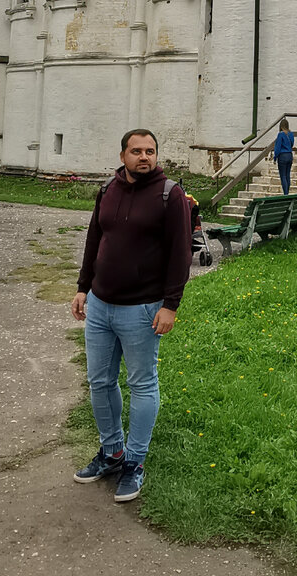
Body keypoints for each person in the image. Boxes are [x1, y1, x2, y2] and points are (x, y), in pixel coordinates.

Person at [70, 129, 191, 503]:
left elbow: (181, 253)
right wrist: (82, 286)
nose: (144, 157)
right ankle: (111, 452)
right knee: (100, 382)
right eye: (136, 151)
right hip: (101, 306)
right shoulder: (108, 190)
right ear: (122, 155)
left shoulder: (169, 195)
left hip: (142, 309)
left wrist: (170, 304)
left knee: (142, 384)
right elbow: (95, 238)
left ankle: (134, 461)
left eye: (150, 151)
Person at [273, 117, 294, 194]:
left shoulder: (280, 134)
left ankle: (285, 193)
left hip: (282, 156)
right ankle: (287, 192)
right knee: (287, 175)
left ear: (281, 126)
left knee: (283, 176)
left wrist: (275, 157)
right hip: (289, 155)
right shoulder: (291, 134)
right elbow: (292, 144)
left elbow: (277, 147)